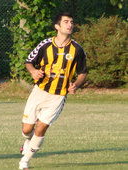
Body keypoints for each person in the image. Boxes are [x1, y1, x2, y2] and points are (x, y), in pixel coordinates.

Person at [19, 12, 87, 169]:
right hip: (39, 91)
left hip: (58, 96)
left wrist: (76, 84)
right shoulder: (45, 45)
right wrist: (33, 71)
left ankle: (24, 162)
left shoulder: (77, 50)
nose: (70, 24)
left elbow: (83, 73)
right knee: (27, 129)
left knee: (41, 127)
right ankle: (27, 141)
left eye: (71, 22)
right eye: (66, 22)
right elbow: (29, 62)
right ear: (57, 26)